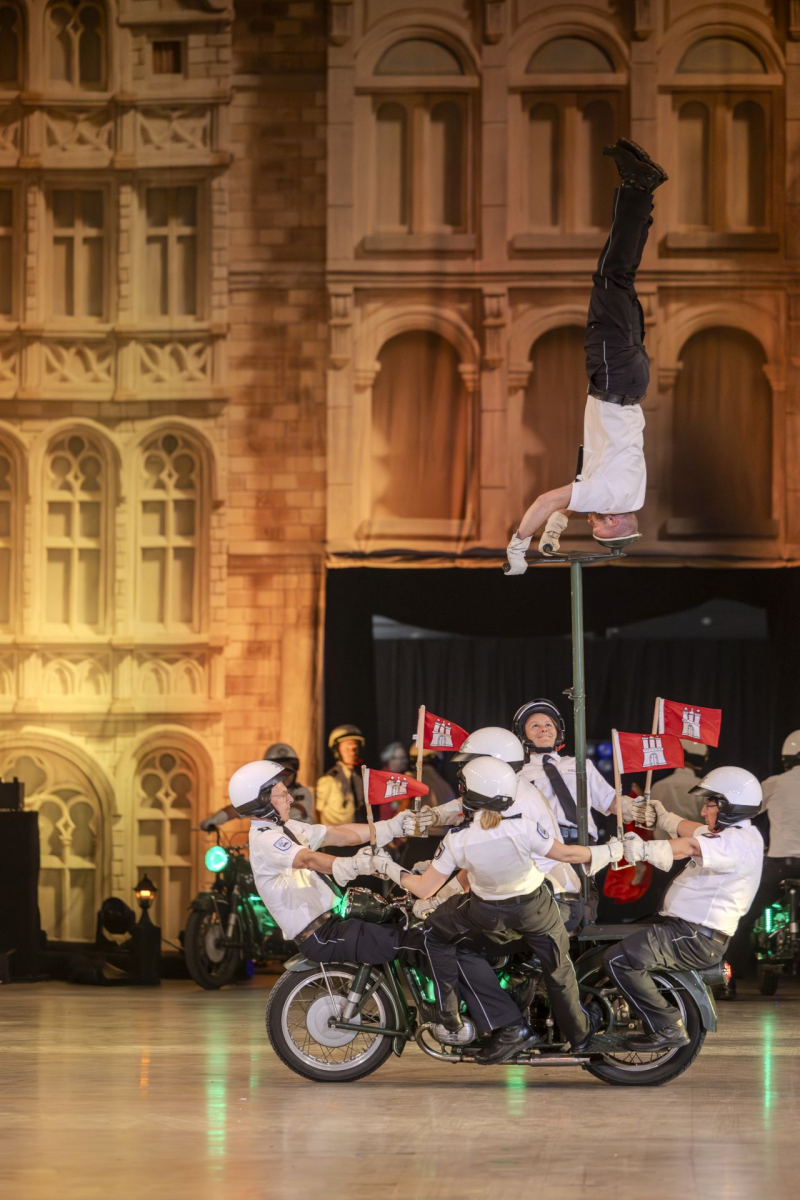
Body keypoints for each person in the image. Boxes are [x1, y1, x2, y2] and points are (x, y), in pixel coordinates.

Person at [232, 759, 523, 1037]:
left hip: (335, 921)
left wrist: (392, 826)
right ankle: (474, 1020)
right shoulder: (267, 840)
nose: (289, 799)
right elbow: (308, 859)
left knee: (414, 925)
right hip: (322, 933)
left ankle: (456, 1007)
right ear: (262, 801)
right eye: (282, 794)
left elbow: (340, 834)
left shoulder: (287, 829)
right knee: (426, 942)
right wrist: (352, 865)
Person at [374, 757, 623, 1063]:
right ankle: (580, 1037)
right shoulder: (524, 827)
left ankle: (454, 1016)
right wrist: (612, 850)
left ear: (468, 794)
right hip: (537, 911)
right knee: (559, 970)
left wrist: (388, 866)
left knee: (435, 937)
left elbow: (424, 889)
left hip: (485, 915)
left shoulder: (458, 839)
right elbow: (569, 854)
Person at [505, 139, 668, 573]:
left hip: (631, 379)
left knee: (621, 280)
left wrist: (553, 532)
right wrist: (518, 547)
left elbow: (573, 494)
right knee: (610, 277)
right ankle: (639, 186)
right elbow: (548, 499)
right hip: (612, 377)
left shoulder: (623, 494)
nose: (590, 518)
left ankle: (641, 188)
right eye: (595, 523)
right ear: (612, 520)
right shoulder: (609, 496)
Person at [606, 766, 763, 1050]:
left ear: (730, 805)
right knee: (611, 940)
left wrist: (645, 850)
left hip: (694, 936)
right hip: (687, 930)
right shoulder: (733, 834)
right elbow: (692, 830)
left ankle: (667, 1027)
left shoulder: (738, 842)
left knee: (619, 960)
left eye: (710, 804)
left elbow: (691, 846)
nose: (703, 811)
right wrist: (663, 817)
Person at [418, 725, 586, 932]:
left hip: (555, 904)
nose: (466, 770)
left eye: (472, 763)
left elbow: (478, 866)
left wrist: (436, 901)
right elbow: (467, 805)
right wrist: (436, 816)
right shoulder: (510, 790)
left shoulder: (512, 802)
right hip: (544, 897)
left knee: (453, 926)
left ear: (495, 763)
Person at [199, 740, 314, 830]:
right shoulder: (264, 795)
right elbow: (238, 809)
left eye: (288, 771)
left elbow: (298, 811)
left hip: (300, 843)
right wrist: (214, 820)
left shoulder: (301, 792)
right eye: (280, 771)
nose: (285, 776)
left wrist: (264, 816)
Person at [650, 740, 708, 840]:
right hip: (694, 845)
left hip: (661, 846)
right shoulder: (704, 788)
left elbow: (650, 823)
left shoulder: (657, 786)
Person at [315, 725, 367, 826]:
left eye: (355, 748)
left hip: (353, 831)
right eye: (347, 748)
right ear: (337, 751)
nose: (352, 753)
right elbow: (318, 811)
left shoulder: (358, 779)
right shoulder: (330, 779)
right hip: (333, 832)